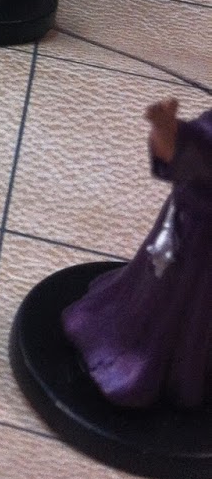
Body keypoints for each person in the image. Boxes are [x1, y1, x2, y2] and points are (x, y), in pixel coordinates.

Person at [63, 99, 212, 410]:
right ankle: (136, 355)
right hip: (193, 236)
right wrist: (166, 129)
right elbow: (189, 148)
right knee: (168, 296)